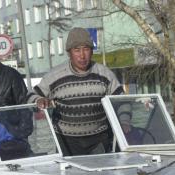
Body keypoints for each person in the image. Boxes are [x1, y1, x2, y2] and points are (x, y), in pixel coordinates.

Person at [27, 27, 124, 156]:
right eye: (77, 50)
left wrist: (125, 123)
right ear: (69, 53)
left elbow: (122, 101)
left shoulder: (104, 74)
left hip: (99, 141)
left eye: (86, 49)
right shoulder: (55, 76)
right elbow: (30, 96)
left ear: (92, 51)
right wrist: (39, 100)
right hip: (66, 142)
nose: (82, 55)